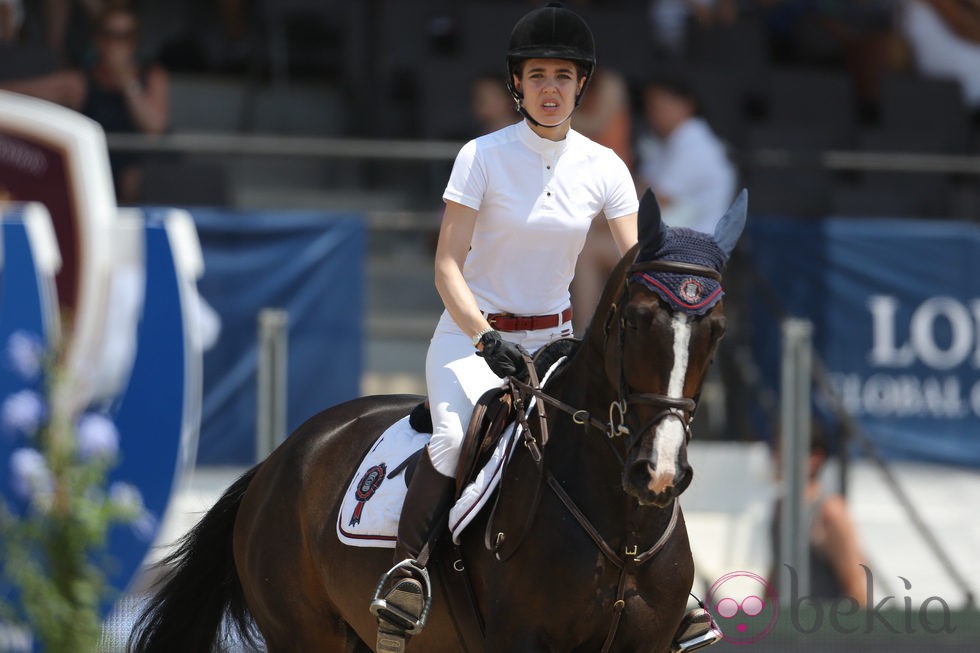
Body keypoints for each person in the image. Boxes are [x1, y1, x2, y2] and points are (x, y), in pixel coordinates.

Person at [369, 4, 641, 652]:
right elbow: (445, 265)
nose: (551, 87)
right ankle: (408, 574)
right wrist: (485, 336)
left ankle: (668, 590)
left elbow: (635, 269)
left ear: (582, 86)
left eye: (564, 76)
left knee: (628, 443)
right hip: (472, 339)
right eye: (538, 74)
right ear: (517, 84)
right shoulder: (481, 157)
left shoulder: (605, 167)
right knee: (453, 438)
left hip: (556, 345)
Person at [1, 4, 169, 203]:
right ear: (97, 40)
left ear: (135, 42)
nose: (116, 43)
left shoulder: (152, 76)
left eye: (125, 36)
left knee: (134, 178)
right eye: (109, 34)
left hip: (145, 168)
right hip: (96, 167)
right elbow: (26, 91)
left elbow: (155, 127)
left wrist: (127, 82)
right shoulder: (79, 83)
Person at [769, 427, 868, 607]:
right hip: (787, 628)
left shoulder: (831, 513)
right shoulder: (779, 507)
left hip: (828, 629)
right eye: (777, 451)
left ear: (815, 459)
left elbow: (855, 585)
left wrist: (862, 633)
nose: (777, 459)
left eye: (786, 452)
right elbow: (777, 573)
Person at [636, 67, 736, 235]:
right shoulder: (663, 141)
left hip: (693, 244)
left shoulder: (697, 146)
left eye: (664, 103)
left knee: (592, 247)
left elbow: (650, 203)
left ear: (687, 105)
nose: (656, 112)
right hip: (664, 233)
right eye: (652, 105)